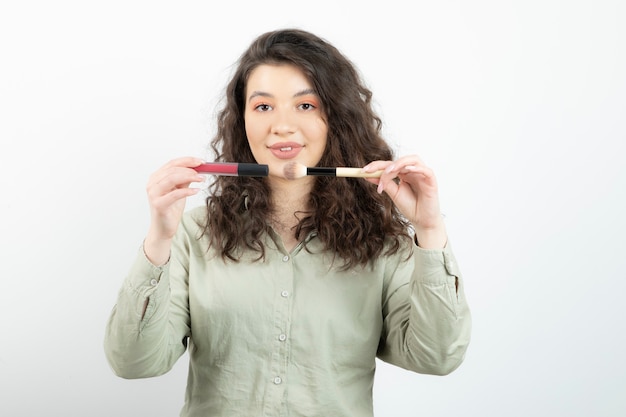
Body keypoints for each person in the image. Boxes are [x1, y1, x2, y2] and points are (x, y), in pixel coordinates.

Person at [104, 28, 471, 417]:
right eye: (263, 107)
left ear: (337, 117)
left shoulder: (383, 242)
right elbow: (134, 363)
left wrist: (430, 230)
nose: (282, 126)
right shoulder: (192, 234)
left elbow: (436, 357)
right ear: (242, 119)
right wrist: (159, 238)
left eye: (306, 105)